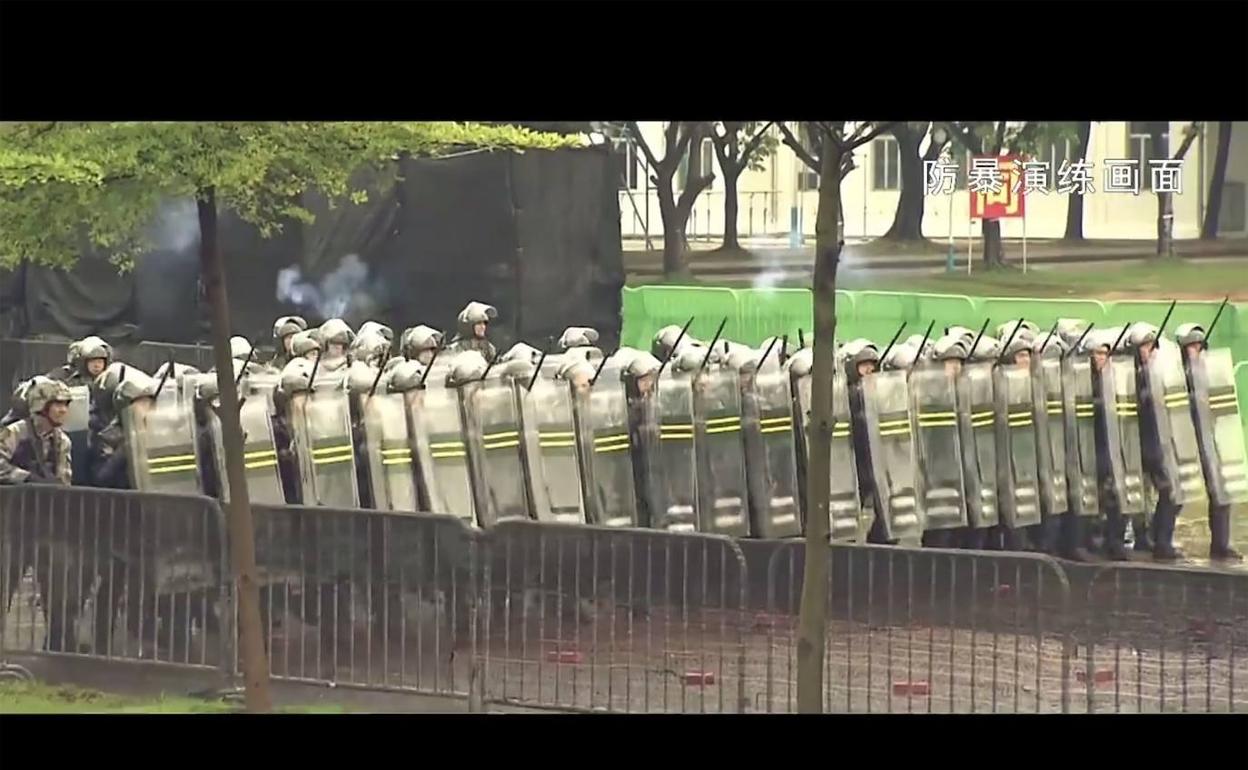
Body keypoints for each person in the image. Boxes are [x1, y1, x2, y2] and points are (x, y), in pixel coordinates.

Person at [1176, 323, 1244, 562]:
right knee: (1176, 496)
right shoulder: (1176, 375)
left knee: (1221, 493)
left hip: (1211, 442)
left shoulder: (1211, 373)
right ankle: (1157, 540)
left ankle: (1221, 544)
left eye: (1200, 345)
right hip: (1184, 442)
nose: (1197, 350)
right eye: (1192, 346)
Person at [0, 379, 74, 485]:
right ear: (41, 406)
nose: (63, 410)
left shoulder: (62, 441)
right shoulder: (16, 432)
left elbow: (64, 482)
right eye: (58, 404)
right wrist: (26, 477)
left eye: (65, 404)